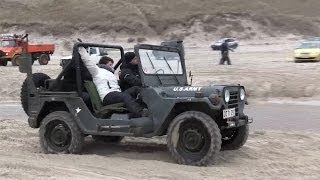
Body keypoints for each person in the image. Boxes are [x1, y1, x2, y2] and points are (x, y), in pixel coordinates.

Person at [78, 47, 146, 117]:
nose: (112, 67)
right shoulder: (97, 71)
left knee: (136, 89)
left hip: (116, 94)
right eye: (110, 65)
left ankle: (148, 107)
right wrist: (81, 49)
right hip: (107, 96)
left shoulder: (111, 74)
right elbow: (88, 61)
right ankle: (140, 113)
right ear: (104, 65)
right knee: (124, 96)